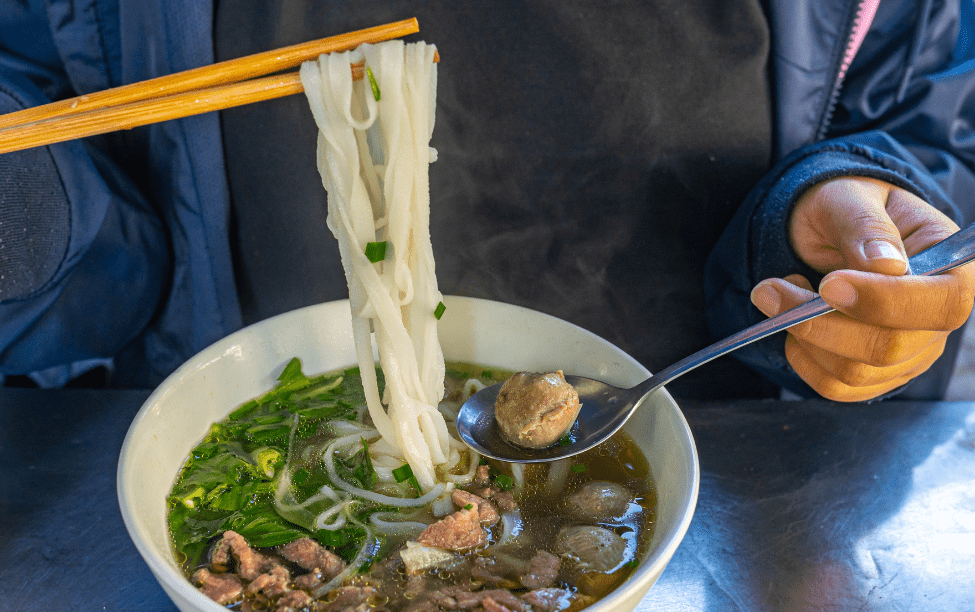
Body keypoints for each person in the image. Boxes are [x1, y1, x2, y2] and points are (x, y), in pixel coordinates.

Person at [0, 0, 972, 402]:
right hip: (241, 418)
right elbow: (46, 92)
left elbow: (925, 113)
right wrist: (28, 212)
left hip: (726, 471)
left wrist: (845, 217)